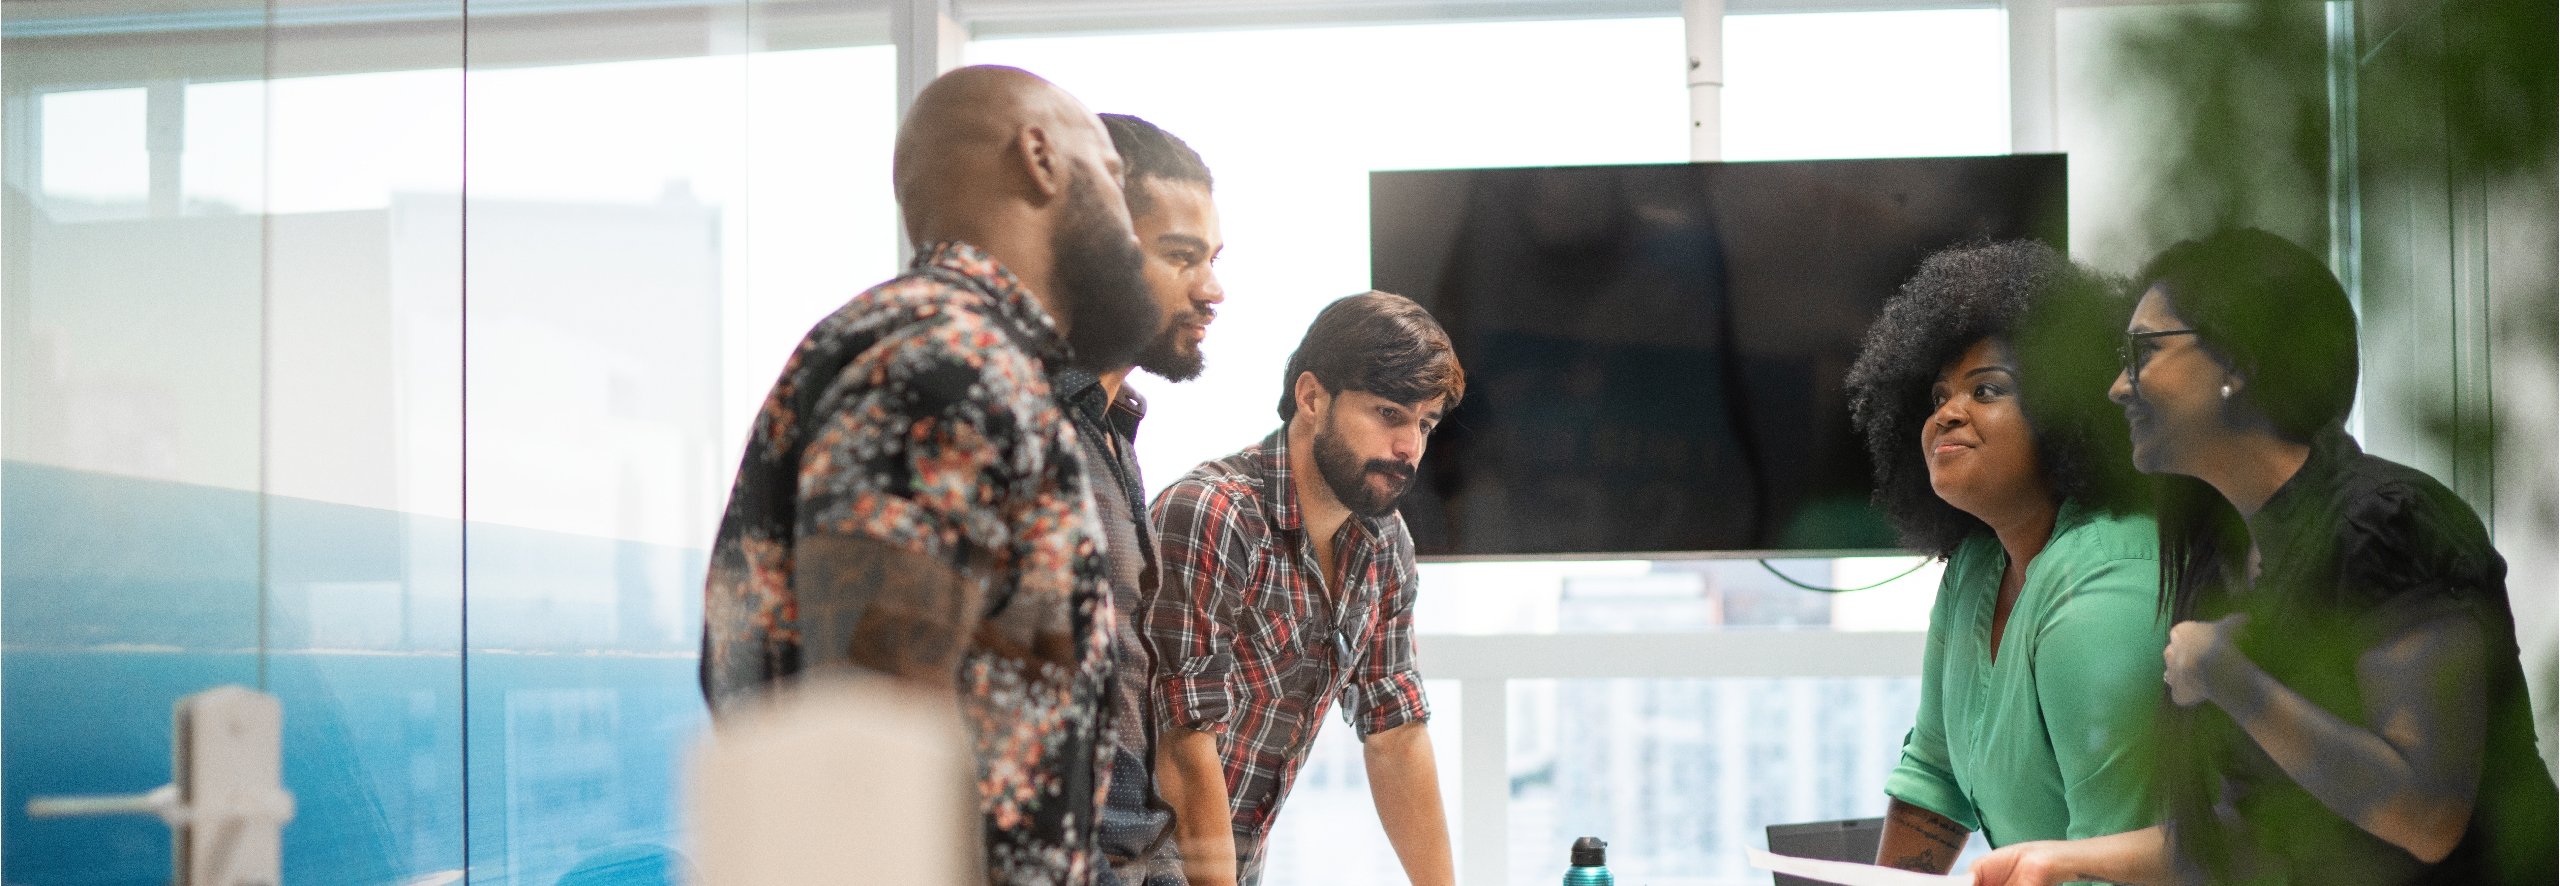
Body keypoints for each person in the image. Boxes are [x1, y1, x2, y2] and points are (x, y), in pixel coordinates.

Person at [1971, 228, 2559, 885]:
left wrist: (2232, 679)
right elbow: (2251, 836)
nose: (2117, 386)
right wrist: (2057, 858)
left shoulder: (2392, 522)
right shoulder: (2223, 553)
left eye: (2142, 353)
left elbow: (2426, 817)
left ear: (2237, 362)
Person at [697, 65, 1164, 885]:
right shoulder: (945, 368)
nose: (1130, 228)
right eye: (1116, 179)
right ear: (1041, 157)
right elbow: (864, 765)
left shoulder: (963, 362)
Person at [1841, 241, 2166, 873]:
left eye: (1987, 390)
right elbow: (1934, 778)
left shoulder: (2104, 578)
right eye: (1937, 397)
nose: (1946, 415)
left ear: (2061, 412)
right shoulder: (1974, 568)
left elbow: (2103, 859)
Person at [1145, 292, 1462, 886]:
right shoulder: (1215, 514)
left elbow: (1396, 733)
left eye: (1425, 423)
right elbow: (1184, 745)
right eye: (1389, 414)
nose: (1410, 448)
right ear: (1312, 397)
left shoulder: (1383, 541)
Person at [1071, 112, 1226, 886]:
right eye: (1180, 257)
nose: (1212, 289)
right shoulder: (1019, 425)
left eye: (1212, 258)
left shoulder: (1112, 430)